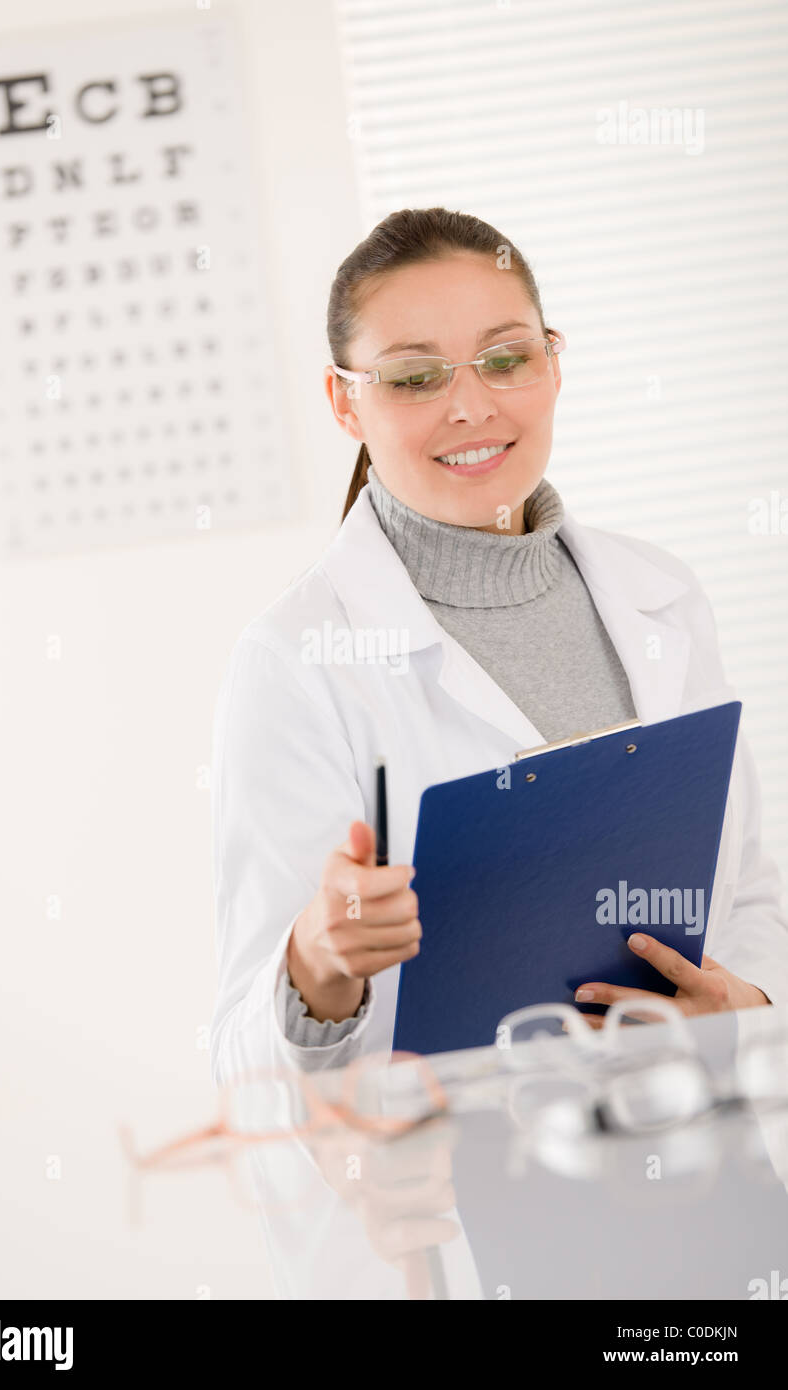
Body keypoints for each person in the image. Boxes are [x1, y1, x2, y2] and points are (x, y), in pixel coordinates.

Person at [208, 206, 788, 1087]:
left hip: (692, 1150)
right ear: (344, 402)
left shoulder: (661, 597)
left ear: (553, 363)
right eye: (412, 378)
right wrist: (316, 962)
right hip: (463, 1182)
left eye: (506, 359)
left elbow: (746, 895)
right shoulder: (298, 659)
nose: (471, 405)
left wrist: (746, 1013)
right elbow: (245, 1063)